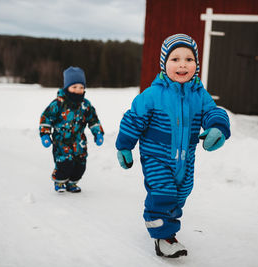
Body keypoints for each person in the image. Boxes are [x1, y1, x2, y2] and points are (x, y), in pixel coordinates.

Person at [115, 34, 231, 258]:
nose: (182, 65)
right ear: (164, 64)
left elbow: (213, 112)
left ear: (196, 65)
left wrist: (217, 127)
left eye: (189, 59)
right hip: (156, 156)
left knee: (181, 193)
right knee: (163, 191)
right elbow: (133, 119)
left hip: (186, 158)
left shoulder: (199, 94)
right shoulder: (152, 94)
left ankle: (166, 224)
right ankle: (164, 236)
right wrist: (124, 146)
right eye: (175, 59)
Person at [39, 66, 104, 193]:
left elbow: (93, 120)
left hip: (80, 142)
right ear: (67, 87)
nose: (78, 90)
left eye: (81, 87)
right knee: (65, 163)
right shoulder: (58, 103)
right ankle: (60, 181)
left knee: (80, 166)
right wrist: (45, 135)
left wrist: (98, 133)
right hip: (61, 142)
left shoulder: (86, 105)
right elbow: (46, 118)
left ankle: (72, 183)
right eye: (74, 87)